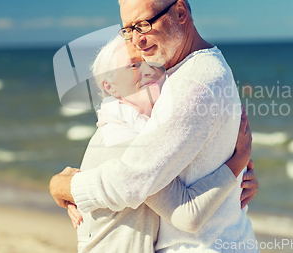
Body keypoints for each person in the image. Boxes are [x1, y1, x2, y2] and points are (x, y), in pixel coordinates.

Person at [50, 0, 259, 252]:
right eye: (128, 30)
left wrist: (61, 186)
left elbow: (129, 182)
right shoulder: (192, 71)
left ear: (181, 12)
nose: (136, 40)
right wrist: (236, 170)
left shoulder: (193, 83)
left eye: (143, 25)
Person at [65, 35, 255, 252]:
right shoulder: (121, 139)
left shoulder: (147, 129)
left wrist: (241, 180)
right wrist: (239, 160)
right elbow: (187, 214)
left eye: (150, 61)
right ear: (110, 86)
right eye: (133, 65)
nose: (147, 69)